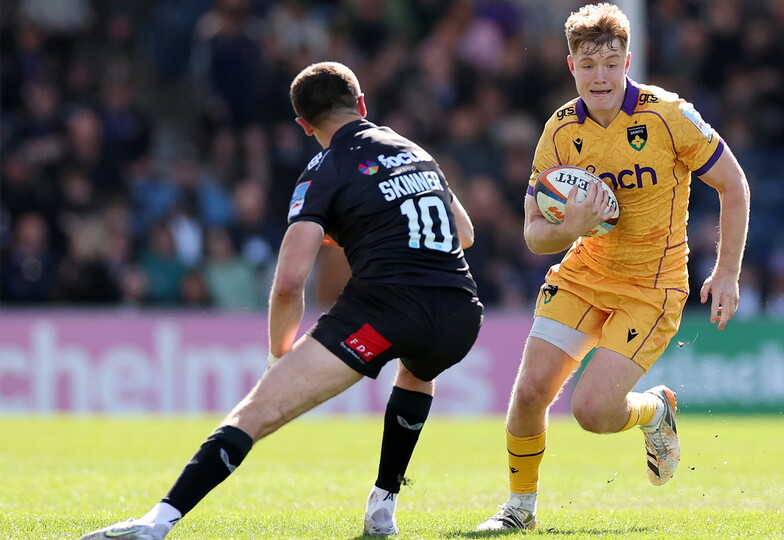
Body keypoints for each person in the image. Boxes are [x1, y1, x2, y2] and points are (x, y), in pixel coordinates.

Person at [82, 61, 484, 539]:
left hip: (385, 312)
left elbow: (291, 281)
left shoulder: (324, 170)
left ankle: (158, 521)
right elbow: (465, 232)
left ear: (303, 125)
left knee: (256, 411)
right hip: (461, 313)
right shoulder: (411, 148)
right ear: (361, 105)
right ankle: (383, 506)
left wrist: (279, 356)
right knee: (419, 373)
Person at [476, 3, 749, 531]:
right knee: (531, 391)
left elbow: (733, 185)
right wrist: (572, 227)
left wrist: (728, 271)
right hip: (583, 275)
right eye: (588, 63)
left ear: (628, 60)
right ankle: (519, 509)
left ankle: (653, 410)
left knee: (594, 413)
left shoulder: (668, 116)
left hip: (651, 287)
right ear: (570, 66)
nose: (599, 75)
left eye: (610, 61)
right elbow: (534, 234)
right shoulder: (559, 131)